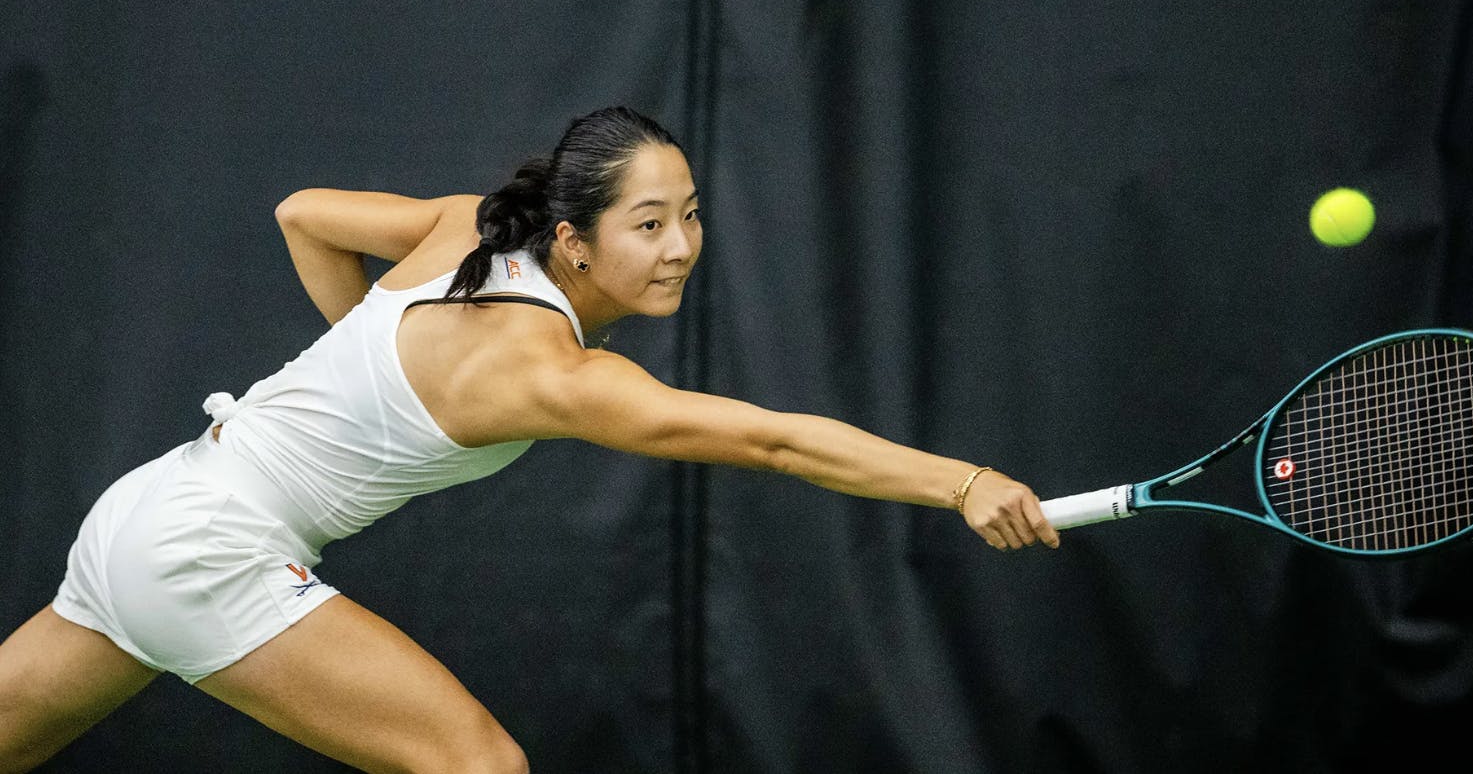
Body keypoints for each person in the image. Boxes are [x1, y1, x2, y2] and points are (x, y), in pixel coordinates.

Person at [0, 106, 1060, 774]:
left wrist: (367, 370)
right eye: (648, 224)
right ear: (571, 238)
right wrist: (959, 480)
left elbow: (302, 214)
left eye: (689, 214)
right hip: (205, 548)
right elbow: (773, 442)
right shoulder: (556, 376)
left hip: (146, 511)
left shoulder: (460, 223)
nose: (681, 247)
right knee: (477, 764)